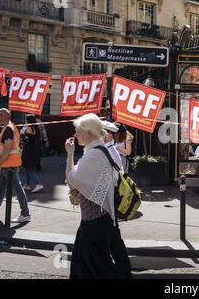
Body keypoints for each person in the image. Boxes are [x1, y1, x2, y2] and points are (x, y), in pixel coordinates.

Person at [65, 113, 132, 279]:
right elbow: (83, 181)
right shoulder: (95, 150)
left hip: (95, 221)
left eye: (78, 131)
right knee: (84, 266)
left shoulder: (94, 153)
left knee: (99, 268)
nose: (75, 134)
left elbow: (71, 178)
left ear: (88, 133)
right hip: (97, 219)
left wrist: (69, 153)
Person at [0, 108, 31, 223]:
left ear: (2, 116)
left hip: (9, 165)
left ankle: (25, 214)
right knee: (1, 188)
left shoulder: (8, 129)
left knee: (17, 188)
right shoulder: (10, 127)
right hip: (8, 164)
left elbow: (7, 150)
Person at [21, 114, 43, 193]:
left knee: (29, 168)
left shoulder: (29, 128)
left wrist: (22, 133)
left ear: (28, 120)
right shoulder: (35, 127)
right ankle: (27, 184)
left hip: (29, 151)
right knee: (29, 167)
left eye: (26, 119)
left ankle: (38, 183)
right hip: (34, 150)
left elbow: (26, 140)